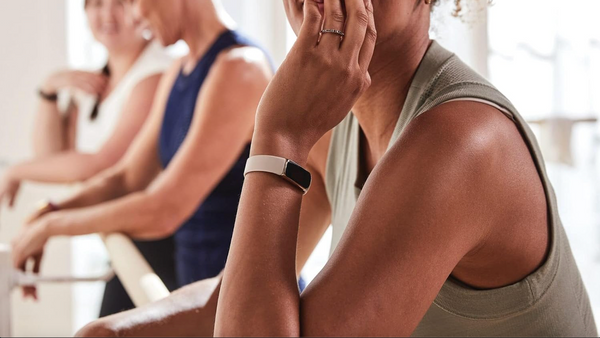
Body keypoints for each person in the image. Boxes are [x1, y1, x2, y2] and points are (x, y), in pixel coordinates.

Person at [78, 0, 598, 336]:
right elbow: (234, 295)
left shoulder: (461, 142)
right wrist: (114, 332)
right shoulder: (336, 122)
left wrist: (276, 132)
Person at [10, 0, 273, 315]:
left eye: (133, 0)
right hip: (197, 288)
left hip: (243, 301)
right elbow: (127, 177)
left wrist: (52, 227)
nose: (136, 15)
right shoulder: (179, 68)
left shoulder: (240, 68)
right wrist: (48, 212)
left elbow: (166, 207)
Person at [1, 0, 175, 318]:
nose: (106, 13)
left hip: (161, 242)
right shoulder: (94, 82)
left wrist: (16, 172)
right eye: (95, 3)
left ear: (141, 8)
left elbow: (106, 163)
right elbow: (54, 160)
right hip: (124, 235)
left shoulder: (158, 74)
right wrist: (49, 92)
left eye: (119, 3)